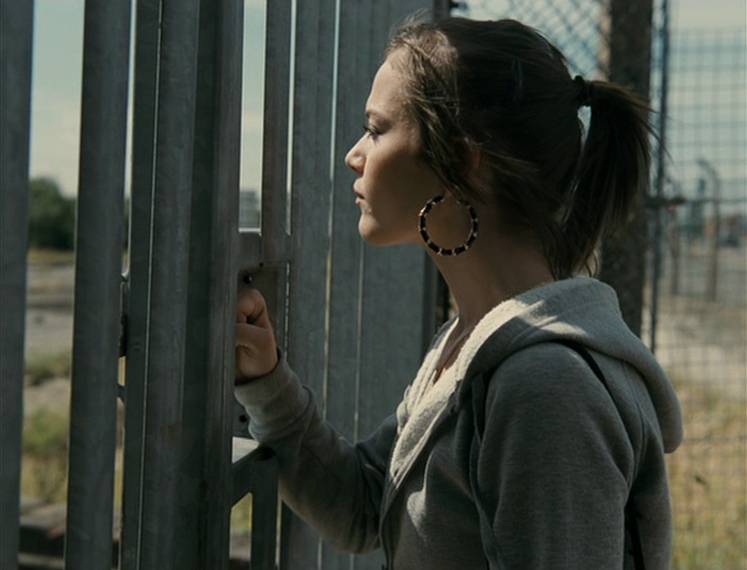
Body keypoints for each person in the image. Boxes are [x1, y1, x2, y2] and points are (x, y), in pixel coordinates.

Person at [234, 15, 683, 570]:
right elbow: (367, 505)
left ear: (464, 164)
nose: (355, 154)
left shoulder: (546, 388)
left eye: (376, 129)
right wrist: (265, 379)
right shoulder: (473, 342)